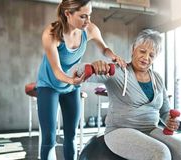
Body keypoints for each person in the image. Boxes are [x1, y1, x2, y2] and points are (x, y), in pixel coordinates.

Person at [36, 0, 126, 160]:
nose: (88, 21)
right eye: (83, 16)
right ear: (68, 14)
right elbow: (57, 71)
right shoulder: (51, 34)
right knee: (49, 139)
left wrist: (113, 56)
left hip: (71, 88)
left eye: (89, 15)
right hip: (49, 86)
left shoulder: (89, 29)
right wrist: (73, 81)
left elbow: (104, 48)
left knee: (71, 136)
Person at [87, 29, 181, 160]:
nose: (146, 58)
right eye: (142, 51)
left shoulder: (157, 79)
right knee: (161, 153)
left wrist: (170, 122)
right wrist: (94, 67)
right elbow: (78, 72)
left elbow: (165, 112)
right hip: (119, 130)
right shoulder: (118, 71)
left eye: (152, 55)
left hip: (150, 129)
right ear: (133, 49)